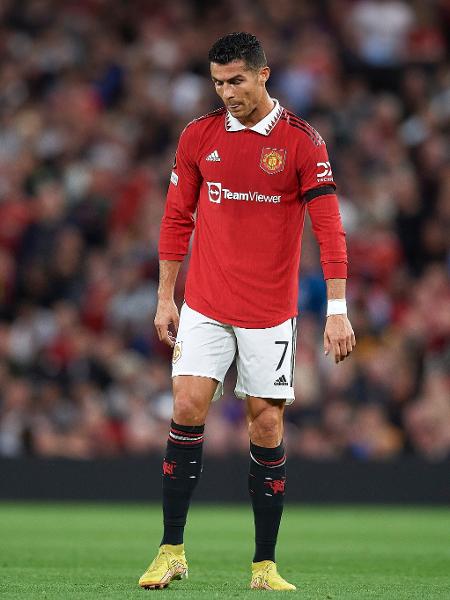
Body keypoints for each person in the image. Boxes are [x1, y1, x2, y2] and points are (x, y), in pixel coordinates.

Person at [139, 32, 356, 591]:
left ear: (264, 75)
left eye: (236, 80)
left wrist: (337, 308)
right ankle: (171, 550)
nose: (226, 91)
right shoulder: (198, 136)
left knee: (266, 423)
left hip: (269, 312)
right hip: (206, 304)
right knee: (186, 405)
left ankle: (264, 565)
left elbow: (328, 228)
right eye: (217, 81)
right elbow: (175, 220)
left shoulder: (303, 142)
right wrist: (166, 296)